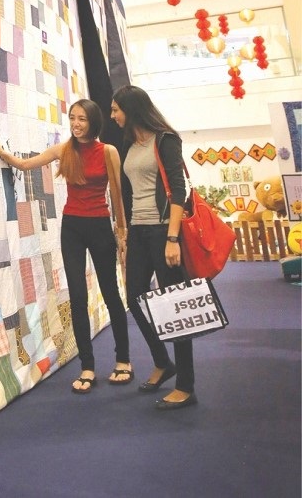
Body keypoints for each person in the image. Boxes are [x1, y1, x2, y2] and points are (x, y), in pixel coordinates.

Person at [0, 99, 131, 394]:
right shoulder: (64, 150)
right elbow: (26, 165)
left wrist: (122, 233)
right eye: (72, 118)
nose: (76, 124)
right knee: (77, 297)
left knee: (111, 293)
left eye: (82, 119)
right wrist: (0, 151)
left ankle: (123, 360)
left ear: (93, 121)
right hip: (73, 227)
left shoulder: (108, 151)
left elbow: (117, 193)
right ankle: (88, 367)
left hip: (100, 226)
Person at [110, 85, 196, 410]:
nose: (113, 115)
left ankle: (186, 386)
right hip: (140, 231)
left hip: (163, 232)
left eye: (116, 109)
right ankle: (163, 362)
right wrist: (128, 233)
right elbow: (131, 193)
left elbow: (178, 190)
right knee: (135, 298)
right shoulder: (130, 143)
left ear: (131, 109)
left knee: (175, 306)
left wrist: (173, 238)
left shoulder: (165, 140)